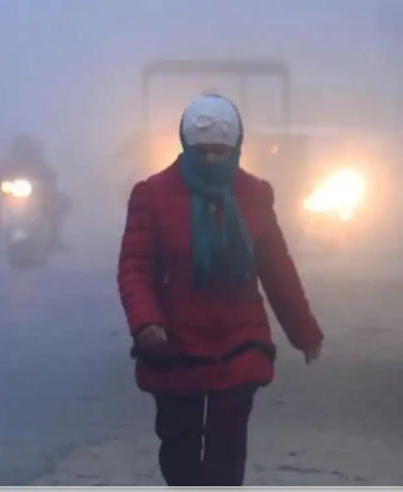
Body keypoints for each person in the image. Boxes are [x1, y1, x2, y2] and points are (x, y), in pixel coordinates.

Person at [117, 94, 324, 486]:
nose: (211, 160)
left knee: (226, 447)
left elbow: (276, 267)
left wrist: (304, 331)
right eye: (202, 152)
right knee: (179, 447)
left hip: (239, 337)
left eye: (219, 151)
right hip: (175, 339)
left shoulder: (255, 194)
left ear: (235, 147)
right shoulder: (152, 195)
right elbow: (135, 267)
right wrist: (145, 322)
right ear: (186, 146)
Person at [0, 133, 68, 249]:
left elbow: (50, 175)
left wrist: (47, 185)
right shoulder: (7, 163)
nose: (22, 151)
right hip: (10, 199)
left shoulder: (39, 162)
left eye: (25, 148)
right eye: (19, 148)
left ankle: (54, 238)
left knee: (57, 204)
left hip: (36, 197)